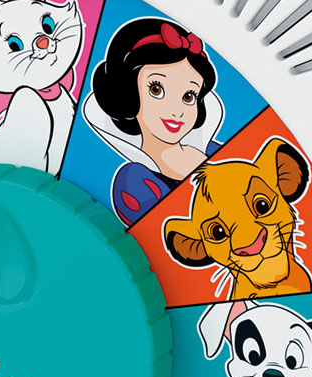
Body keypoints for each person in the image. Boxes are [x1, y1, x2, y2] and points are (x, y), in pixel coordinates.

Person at [83, 18, 224, 225]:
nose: (177, 111)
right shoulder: (135, 181)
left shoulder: (215, 150)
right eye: (156, 89)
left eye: (188, 96)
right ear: (128, 94)